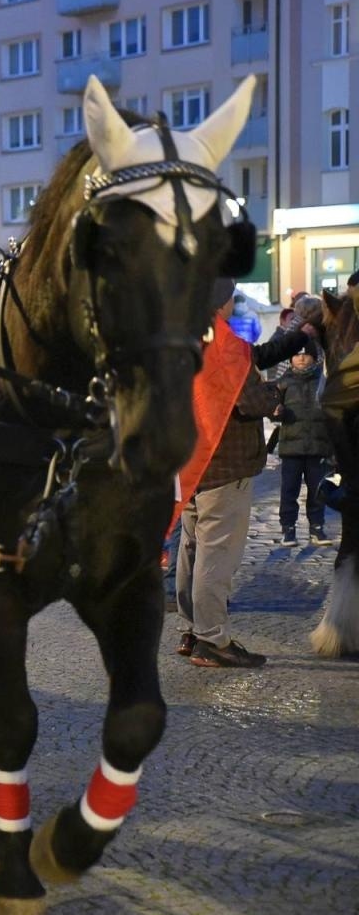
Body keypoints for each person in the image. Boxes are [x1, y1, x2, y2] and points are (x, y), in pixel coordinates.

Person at [174, 285, 315, 669]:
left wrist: (294, 336)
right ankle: (212, 639)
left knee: (192, 549)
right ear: (219, 301)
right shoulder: (223, 342)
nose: (233, 303)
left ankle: (192, 630)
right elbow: (249, 401)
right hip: (225, 464)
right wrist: (275, 394)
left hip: (190, 465)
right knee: (216, 553)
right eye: (231, 297)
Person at [273, 345, 336, 546]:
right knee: (289, 490)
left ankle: (317, 528)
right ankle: (288, 529)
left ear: (314, 357)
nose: (301, 359)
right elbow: (271, 409)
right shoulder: (283, 383)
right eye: (296, 354)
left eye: (305, 355)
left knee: (317, 489)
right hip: (291, 448)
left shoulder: (323, 382)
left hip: (318, 446)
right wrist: (275, 411)